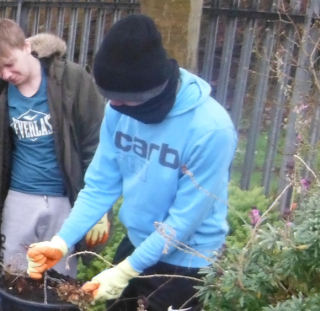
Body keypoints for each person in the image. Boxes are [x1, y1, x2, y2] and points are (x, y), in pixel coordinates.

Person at [25, 14, 237, 311]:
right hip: (139, 241)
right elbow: (100, 185)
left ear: (151, 90)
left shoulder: (211, 130)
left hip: (187, 259)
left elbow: (183, 222)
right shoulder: (118, 111)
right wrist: (61, 242)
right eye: (109, 98)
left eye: (122, 100)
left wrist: (126, 270)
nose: (113, 107)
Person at [0, 19, 111, 278]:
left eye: (10, 64)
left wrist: (99, 209)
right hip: (18, 201)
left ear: (25, 47)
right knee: (14, 280)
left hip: (66, 203)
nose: (6, 75)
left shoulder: (72, 80)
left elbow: (97, 147)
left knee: (59, 284)